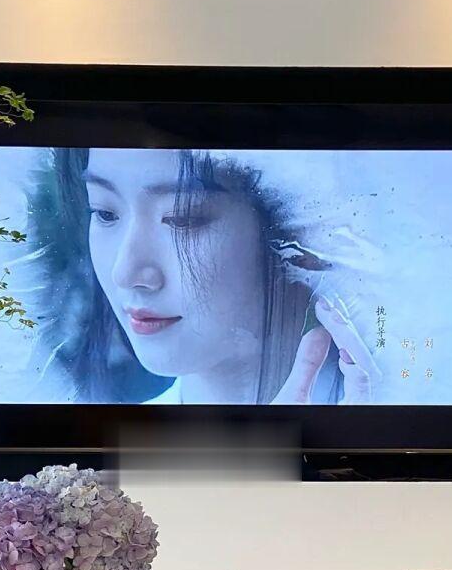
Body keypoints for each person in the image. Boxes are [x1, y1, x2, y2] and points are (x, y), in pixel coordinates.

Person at [27, 147, 377, 405]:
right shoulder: (99, 455)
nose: (125, 272)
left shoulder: (389, 407)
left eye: (181, 218)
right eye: (105, 213)